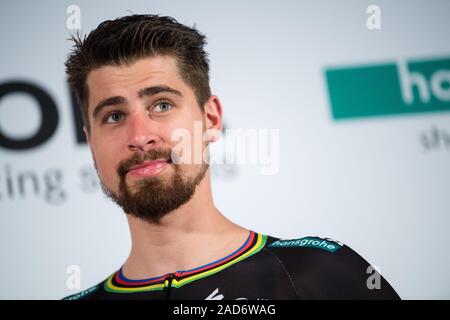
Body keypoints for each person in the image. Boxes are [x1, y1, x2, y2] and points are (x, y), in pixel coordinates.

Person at [63, 14, 400, 300]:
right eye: (114, 116)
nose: (139, 136)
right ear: (91, 143)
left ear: (211, 119)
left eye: (162, 105)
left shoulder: (324, 273)